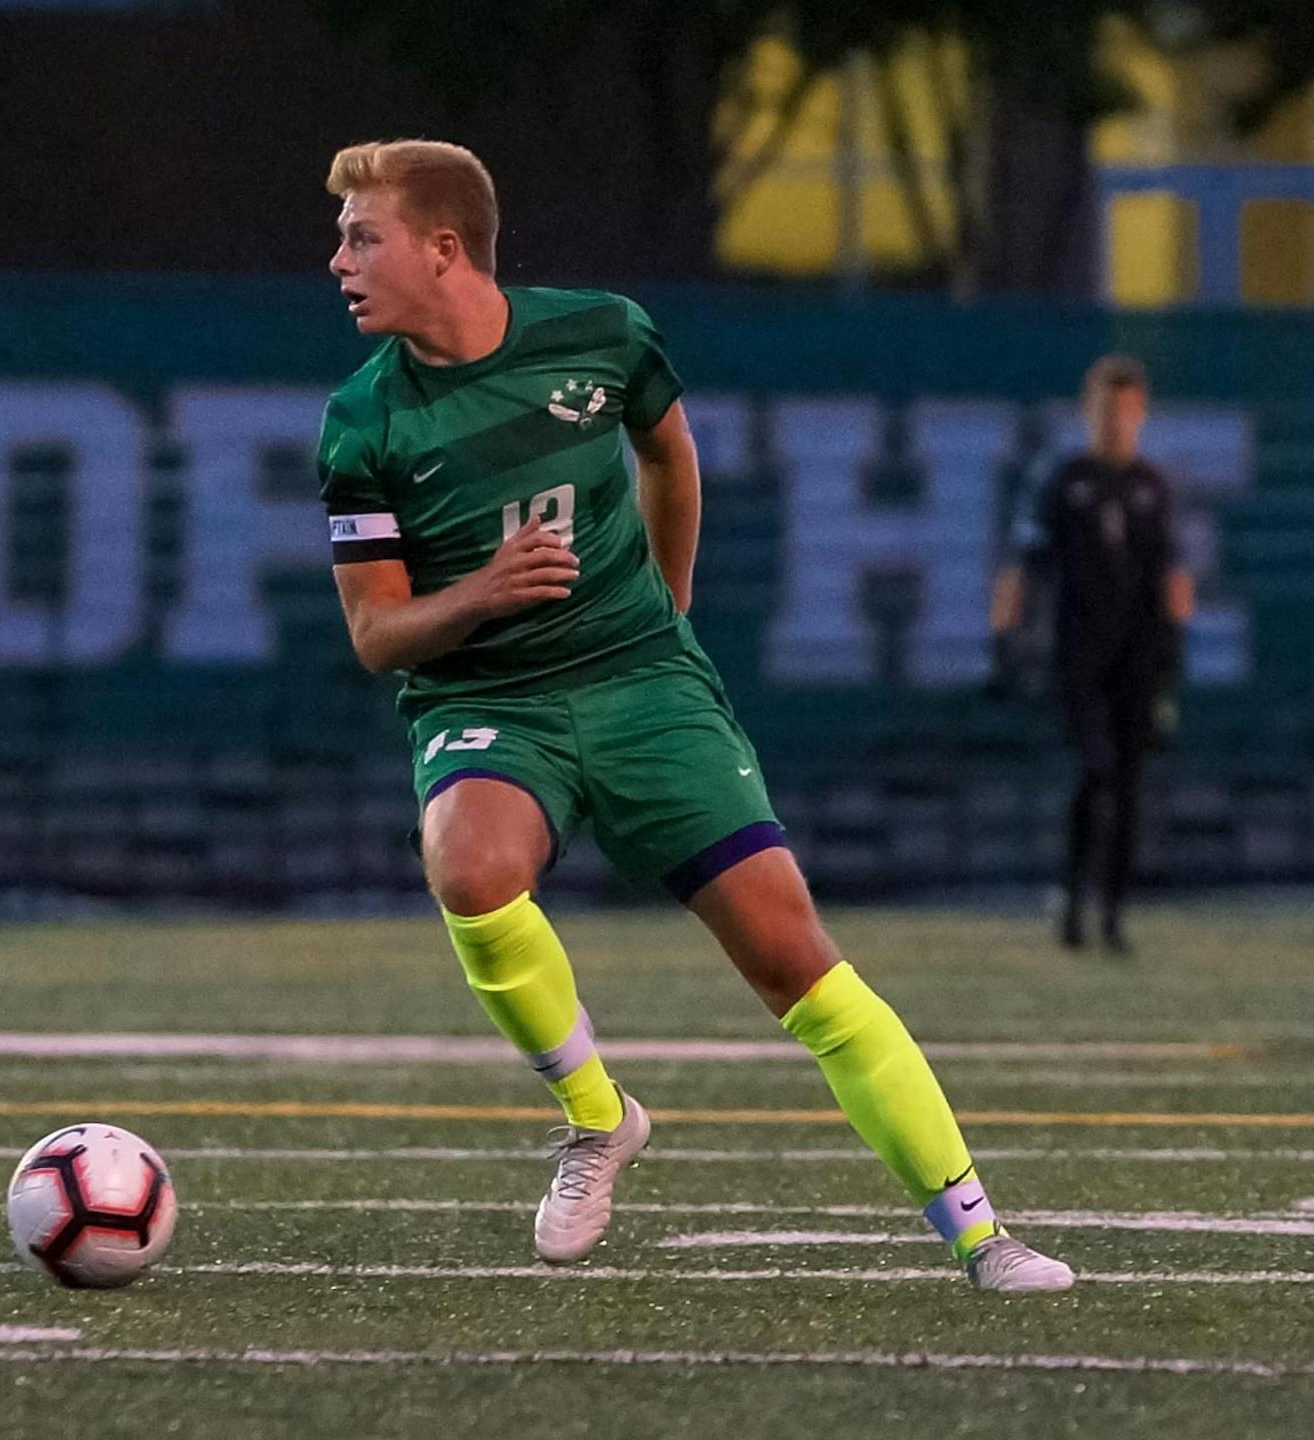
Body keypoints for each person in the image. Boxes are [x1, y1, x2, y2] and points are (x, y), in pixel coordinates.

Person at [317, 139, 1071, 1292]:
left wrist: (666, 613)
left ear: (443, 248)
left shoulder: (603, 334)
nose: (339, 261)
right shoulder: (362, 424)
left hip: (642, 685)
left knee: (793, 960)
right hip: (489, 702)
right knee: (469, 869)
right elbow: (376, 635)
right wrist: (480, 592)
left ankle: (982, 1235)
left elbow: (669, 455)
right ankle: (595, 1116)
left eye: (362, 237)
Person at [992, 356, 1190, 955]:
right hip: (1078, 652)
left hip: (1138, 656)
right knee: (1095, 769)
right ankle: (1075, 899)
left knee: (1127, 783)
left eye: (1126, 408)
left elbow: (1174, 573)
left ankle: (1113, 912)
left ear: (1141, 413)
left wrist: (1174, 645)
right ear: (1090, 411)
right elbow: (1021, 563)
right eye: (1106, 408)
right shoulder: (1065, 480)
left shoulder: (1152, 487)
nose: (1116, 420)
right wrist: (1006, 637)